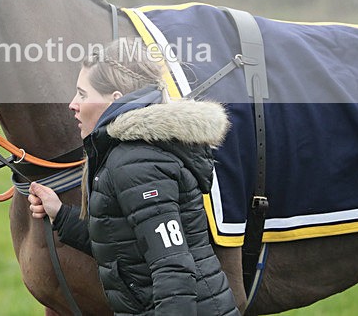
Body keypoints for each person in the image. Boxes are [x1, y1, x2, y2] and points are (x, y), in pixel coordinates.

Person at [29, 39, 239, 315]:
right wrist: (61, 216)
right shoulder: (126, 155)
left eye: (82, 94)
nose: (73, 104)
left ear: (115, 99)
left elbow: (172, 269)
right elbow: (124, 247)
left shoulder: (137, 163)